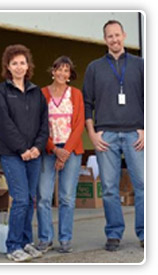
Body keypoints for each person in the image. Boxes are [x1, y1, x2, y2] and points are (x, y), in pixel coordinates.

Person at [83, 20, 144, 251]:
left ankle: (145, 233)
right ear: (104, 39)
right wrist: (92, 133)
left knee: (142, 187)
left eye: (117, 35)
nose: (114, 39)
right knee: (109, 188)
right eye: (110, 36)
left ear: (124, 36)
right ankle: (114, 234)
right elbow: (87, 103)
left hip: (134, 134)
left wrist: (146, 129)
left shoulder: (140, 65)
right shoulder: (94, 68)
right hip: (105, 135)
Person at [0, 44, 49, 262]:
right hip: (12, 154)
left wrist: (36, 148)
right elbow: (3, 124)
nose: (19, 67)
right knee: (22, 199)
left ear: (28, 65)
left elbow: (45, 124)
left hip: (34, 154)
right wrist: (22, 149)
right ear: (8, 66)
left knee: (31, 199)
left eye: (22, 62)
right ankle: (13, 245)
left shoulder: (36, 92)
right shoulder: (1, 92)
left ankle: (26, 242)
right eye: (14, 63)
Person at [36, 56, 85, 253]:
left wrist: (64, 153)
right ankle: (45, 239)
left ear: (70, 75)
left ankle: (65, 239)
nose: (63, 74)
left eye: (67, 71)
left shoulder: (76, 94)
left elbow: (79, 123)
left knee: (66, 197)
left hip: (71, 150)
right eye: (59, 69)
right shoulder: (42, 94)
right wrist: (54, 150)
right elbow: (38, 126)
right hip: (48, 150)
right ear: (53, 71)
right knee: (44, 197)